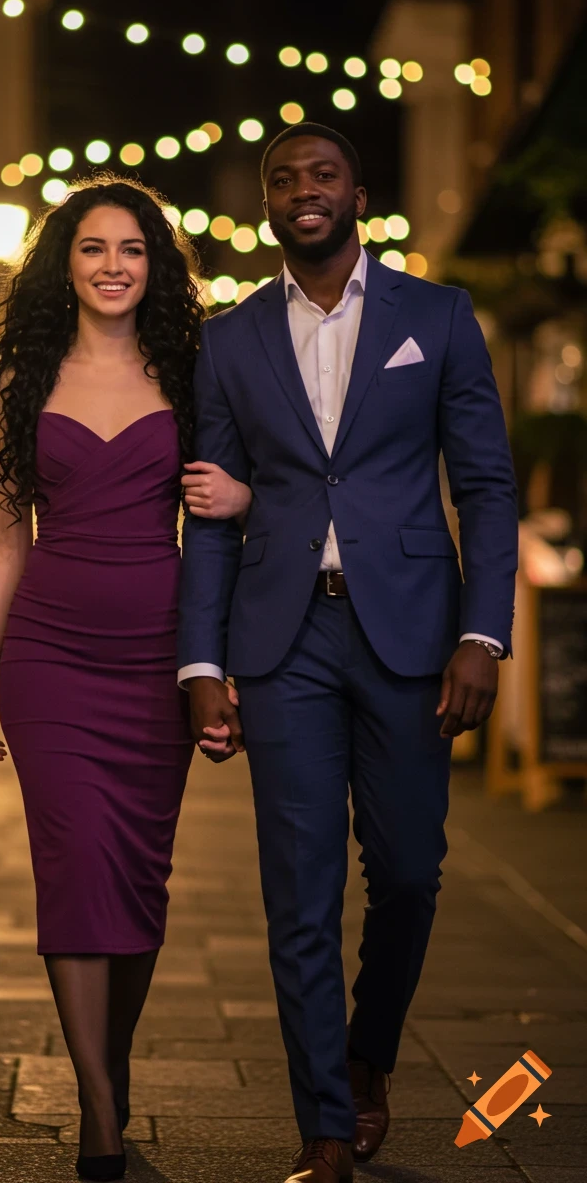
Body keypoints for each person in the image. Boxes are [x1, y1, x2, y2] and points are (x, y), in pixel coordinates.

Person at [178, 123, 518, 1183]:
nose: (302, 189)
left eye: (321, 174)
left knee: (409, 871)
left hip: (411, 632)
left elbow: (485, 486)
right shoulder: (228, 339)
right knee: (299, 886)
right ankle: (324, 1123)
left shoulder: (437, 315)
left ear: (357, 194)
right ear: (267, 203)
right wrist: (200, 665)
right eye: (282, 178)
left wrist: (481, 631)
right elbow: (209, 515)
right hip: (282, 640)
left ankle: (368, 1052)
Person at [0, 177, 250, 1183]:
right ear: (66, 264)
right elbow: (6, 534)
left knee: (135, 872)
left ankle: (108, 1062)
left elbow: (247, 506)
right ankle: (97, 1108)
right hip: (48, 655)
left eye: (132, 248)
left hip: (159, 653)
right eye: (93, 248)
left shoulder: (193, 372)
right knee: (75, 861)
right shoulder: (27, 376)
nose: (113, 265)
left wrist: (244, 495)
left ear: (154, 265)